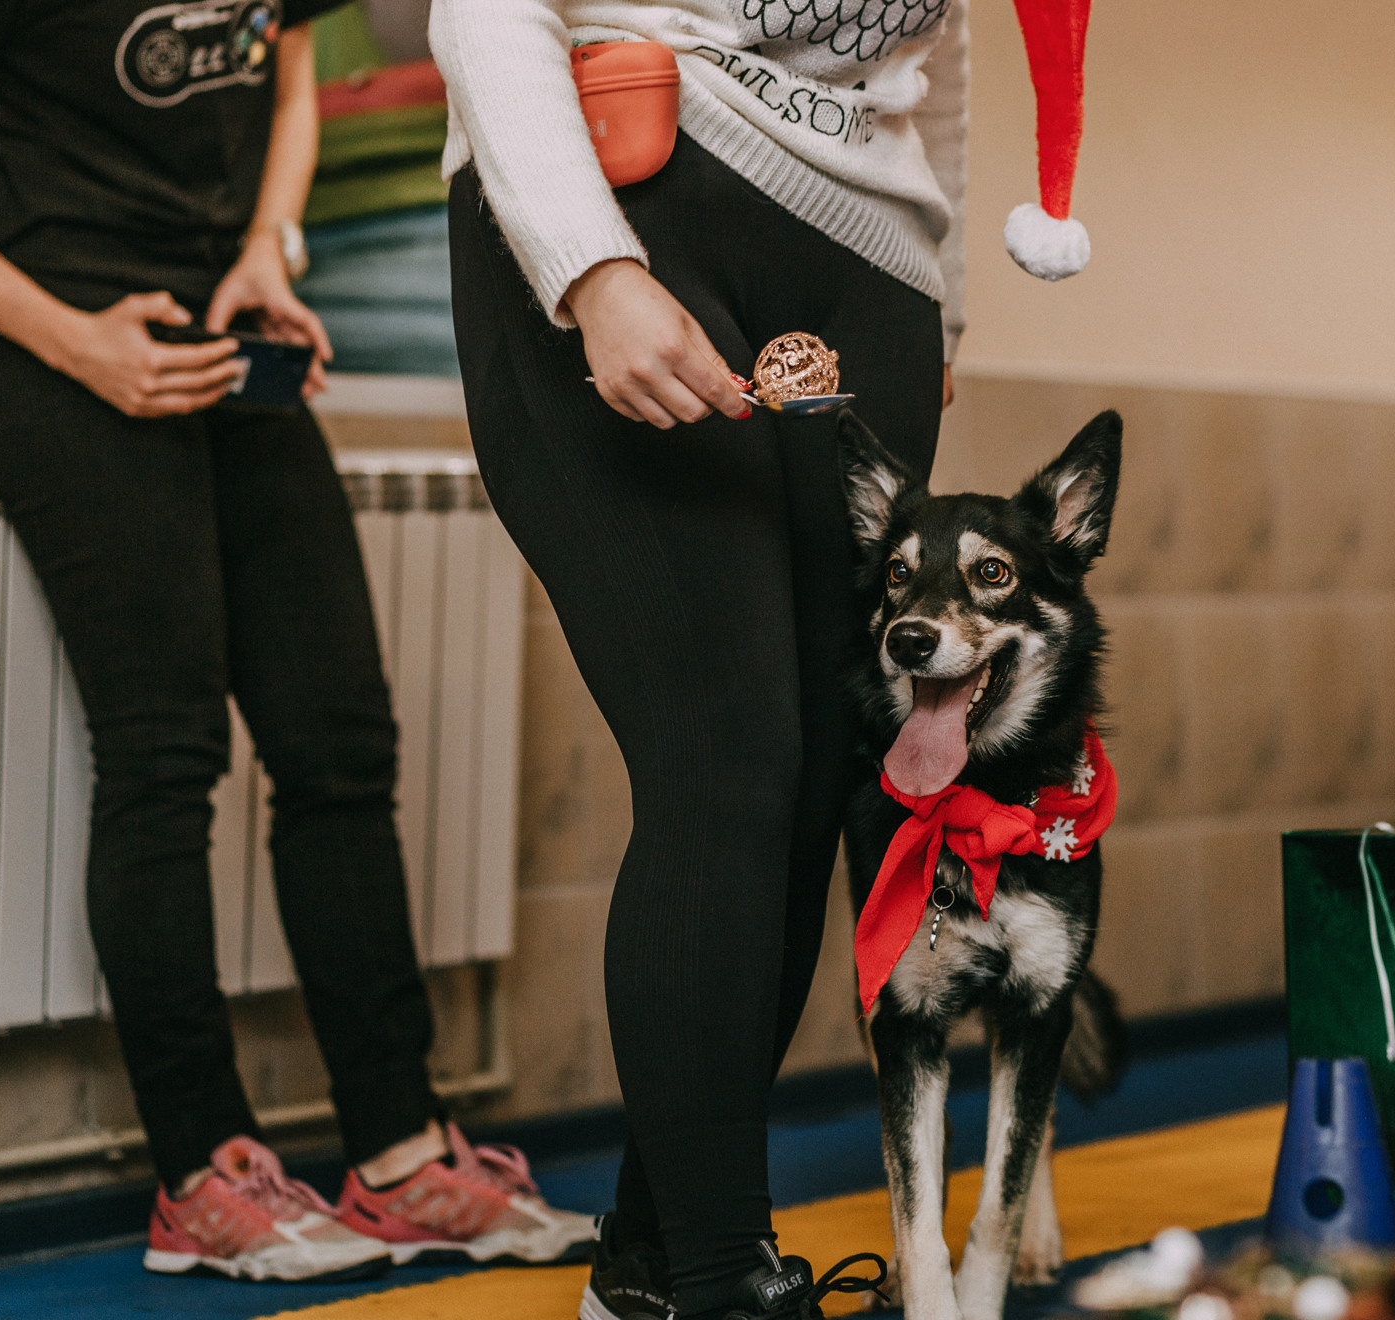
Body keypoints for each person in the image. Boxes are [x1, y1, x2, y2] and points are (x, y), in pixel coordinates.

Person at [0, 0, 592, 1283]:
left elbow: (286, 81)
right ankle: (203, 1173)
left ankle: (401, 1155)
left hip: (218, 334)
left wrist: (271, 248)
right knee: (164, 752)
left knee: (341, 743)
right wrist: (75, 342)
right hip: (50, 342)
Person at [430, 0, 968, 1317]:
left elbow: (949, 63)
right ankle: (723, 1276)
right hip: (639, 183)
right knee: (724, 755)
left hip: (870, 250)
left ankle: (654, 1258)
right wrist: (588, 265)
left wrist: (946, 309)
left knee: (809, 783)